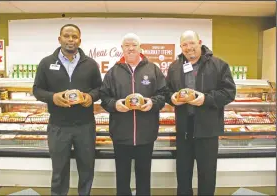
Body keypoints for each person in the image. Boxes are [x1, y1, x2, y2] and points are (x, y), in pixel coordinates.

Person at [33, 24, 102, 195]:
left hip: (85, 125)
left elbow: (100, 89)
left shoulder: (91, 64)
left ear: (79, 40)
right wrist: (53, 97)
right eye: (66, 36)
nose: (70, 40)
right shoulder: (46, 63)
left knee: (86, 168)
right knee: (59, 170)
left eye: (74, 37)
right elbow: (37, 90)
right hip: (58, 126)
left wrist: (90, 97)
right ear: (59, 39)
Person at [166, 30, 236, 196]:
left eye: (192, 43)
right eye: (184, 44)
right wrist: (172, 98)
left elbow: (229, 92)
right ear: (180, 46)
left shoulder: (219, 65)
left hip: (208, 129)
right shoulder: (175, 67)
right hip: (184, 129)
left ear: (200, 42)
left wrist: (206, 99)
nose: (188, 47)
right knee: (183, 175)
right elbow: (166, 91)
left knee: (207, 175)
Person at [99, 33, 167, 196]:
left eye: (134, 45)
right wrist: (115, 105)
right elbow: (104, 97)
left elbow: (163, 94)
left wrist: (152, 103)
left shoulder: (153, 69)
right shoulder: (113, 72)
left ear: (140, 47)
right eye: (126, 45)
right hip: (121, 134)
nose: (130, 48)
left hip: (146, 134)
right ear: (122, 48)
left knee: (144, 176)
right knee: (122, 177)